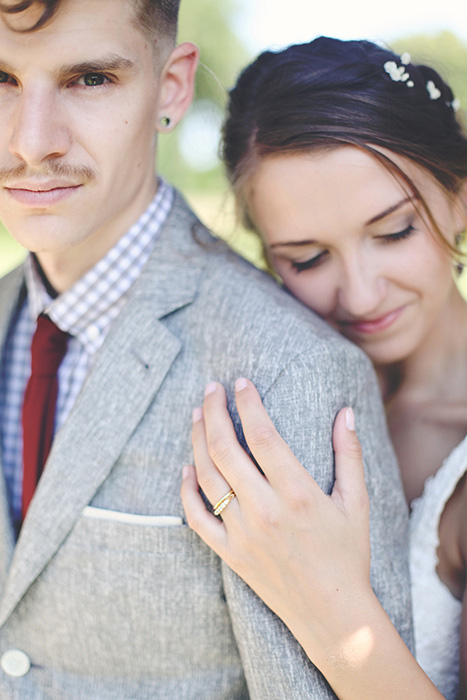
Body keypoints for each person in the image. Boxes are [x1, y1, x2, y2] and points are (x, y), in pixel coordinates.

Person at [0, 5, 411, 698]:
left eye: (90, 78)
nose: (32, 141)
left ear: (171, 88)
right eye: (1, 79)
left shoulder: (286, 369)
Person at [180, 37, 467, 700]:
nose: (361, 295)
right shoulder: (272, 393)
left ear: (457, 195)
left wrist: (323, 601)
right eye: (306, 259)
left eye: (394, 230)